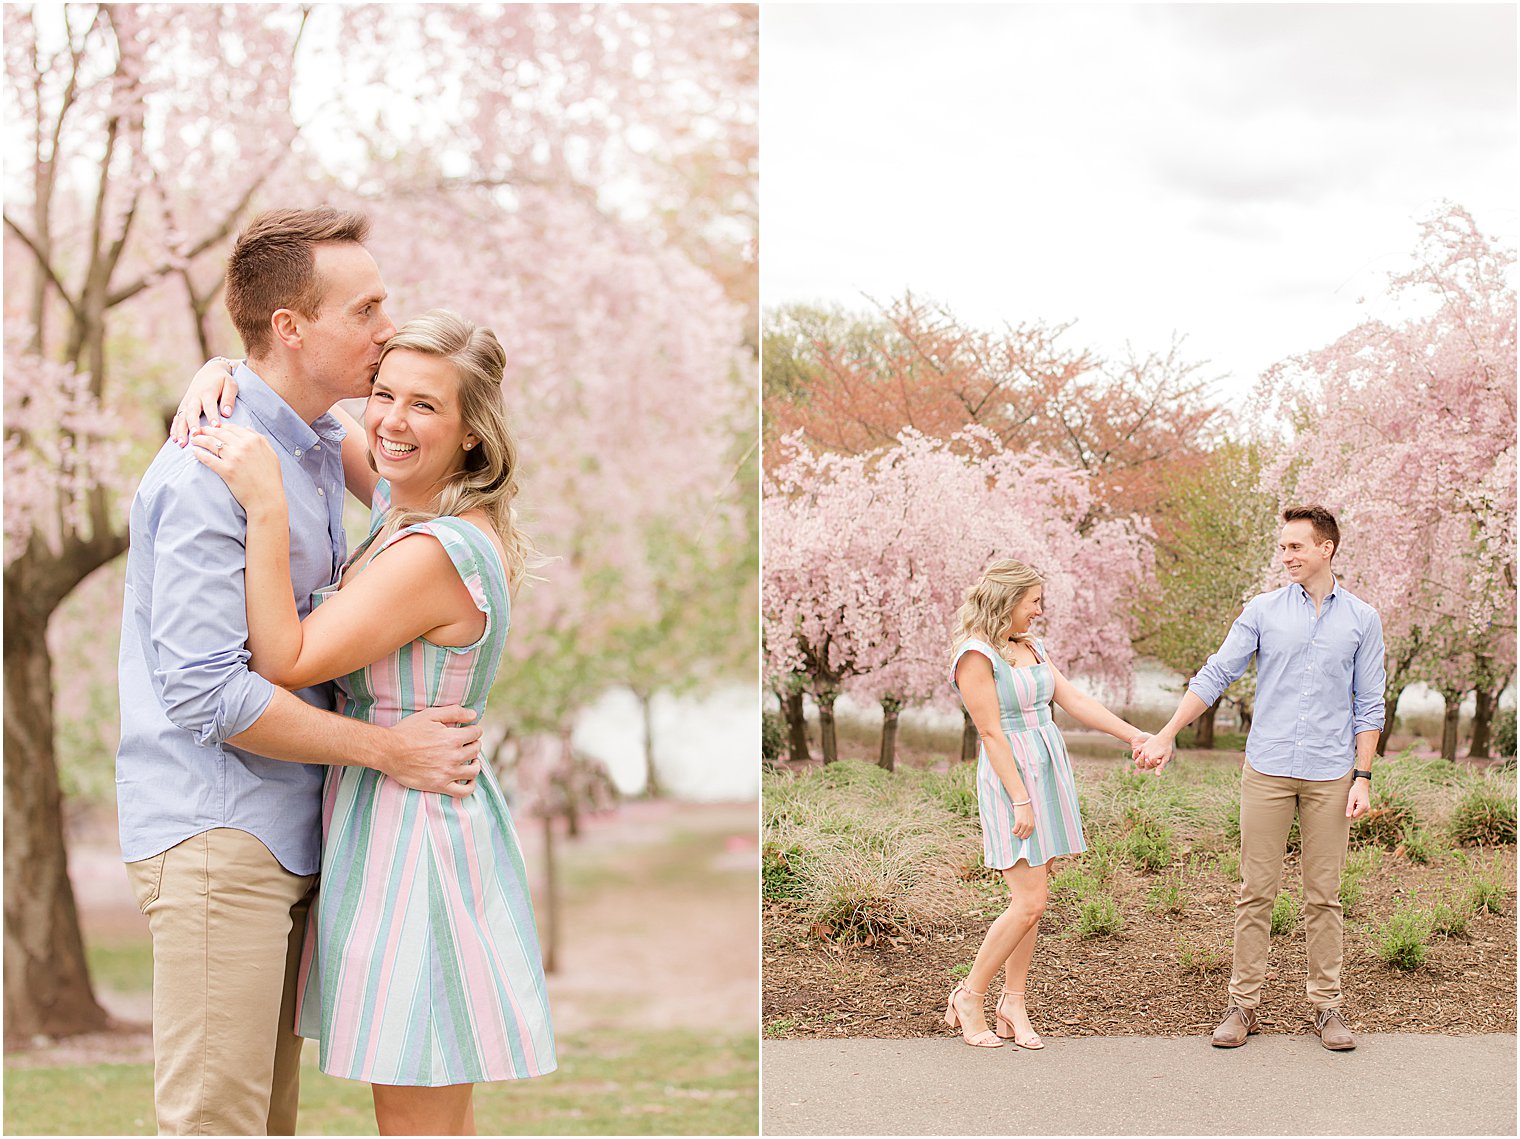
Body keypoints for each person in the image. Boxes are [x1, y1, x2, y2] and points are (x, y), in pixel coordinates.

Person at [117, 207, 485, 1136]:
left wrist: (225, 371)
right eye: (365, 309)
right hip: (218, 830)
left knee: (265, 1122)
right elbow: (209, 691)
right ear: (292, 327)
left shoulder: (318, 446)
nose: (385, 328)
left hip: (290, 830)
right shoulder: (212, 467)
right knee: (217, 1123)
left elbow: (453, 465)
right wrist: (387, 750)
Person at [184, 310, 557, 1133]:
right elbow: (314, 414)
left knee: (415, 1118)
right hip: (391, 817)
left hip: (415, 837)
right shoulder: (404, 504)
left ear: (470, 432)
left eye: (426, 405)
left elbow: (284, 656)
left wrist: (267, 505)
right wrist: (222, 372)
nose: (390, 419)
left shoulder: (435, 552)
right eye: (385, 393)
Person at [1136, 504, 1384, 1052]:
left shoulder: (1363, 619)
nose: (1286, 555)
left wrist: (1362, 777)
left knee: (1324, 895)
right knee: (1256, 892)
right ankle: (1243, 1003)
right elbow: (1218, 672)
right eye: (1283, 546)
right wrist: (1168, 731)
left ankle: (1327, 1006)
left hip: (1331, 774)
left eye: (1296, 546)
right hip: (1268, 769)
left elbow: (1370, 704)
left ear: (1327, 549)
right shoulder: (1263, 610)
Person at [947, 559, 1151, 1049]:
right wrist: (1020, 799)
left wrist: (1134, 736)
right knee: (1028, 900)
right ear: (1007, 601)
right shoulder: (975, 656)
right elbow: (991, 732)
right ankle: (969, 995)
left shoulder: (1030, 647)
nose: (1039, 610)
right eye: (1033, 601)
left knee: (1035, 903)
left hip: (1048, 768)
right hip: (1011, 777)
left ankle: (1012, 1003)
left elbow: (1075, 700)